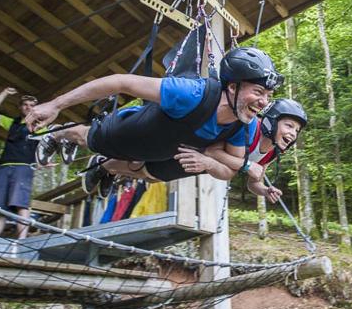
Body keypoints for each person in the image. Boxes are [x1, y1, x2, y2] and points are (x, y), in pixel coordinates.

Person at [27, 47, 283, 197]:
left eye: (268, 96)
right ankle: (58, 136)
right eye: (258, 93)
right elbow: (120, 82)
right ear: (233, 86)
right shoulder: (192, 93)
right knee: (88, 139)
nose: (263, 102)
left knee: (145, 169)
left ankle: (105, 168)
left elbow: (228, 170)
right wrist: (56, 105)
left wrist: (208, 162)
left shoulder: (243, 124)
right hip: (134, 131)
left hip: (159, 151)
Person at [191, 98, 307, 203]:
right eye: (289, 126)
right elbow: (211, 151)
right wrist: (247, 165)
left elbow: (253, 182)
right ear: (271, 121)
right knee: (230, 172)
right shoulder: (250, 129)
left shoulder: (272, 152)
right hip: (194, 147)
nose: (293, 133)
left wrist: (265, 191)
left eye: (297, 131)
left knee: (230, 172)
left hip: (201, 167)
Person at [0, 88, 38, 238]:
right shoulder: (12, 123)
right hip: (3, 167)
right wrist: (3, 94)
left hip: (23, 167)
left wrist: (45, 161)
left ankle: (21, 242)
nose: (28, 107)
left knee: (21, 203)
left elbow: (49, 144)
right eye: (25, 105)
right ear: (20, 107)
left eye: (32, 105)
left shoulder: (40, 126)